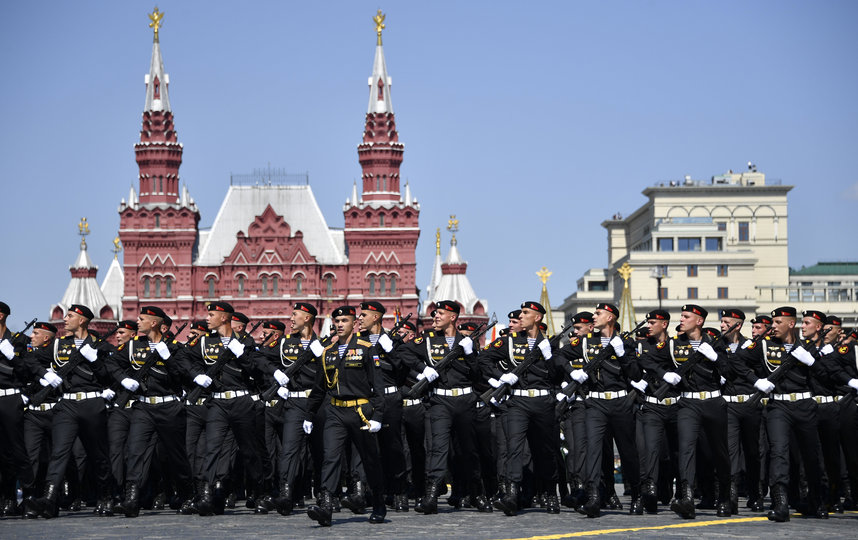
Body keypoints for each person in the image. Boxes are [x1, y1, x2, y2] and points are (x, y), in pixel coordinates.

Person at [182, 301, 281, 516]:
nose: (207, 318)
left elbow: (256, 369)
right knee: (212, 449)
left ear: (224, 318)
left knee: (250, 451)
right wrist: (196, 374)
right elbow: (183, 358)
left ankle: (260, 492)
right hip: (217, 401)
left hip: (242, 401)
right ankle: (209, 494)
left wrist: (242, 355)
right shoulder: (205, 342)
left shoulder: (244, 342)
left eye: (211, 314)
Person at [397, 300, 491, 514]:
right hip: (439, 401)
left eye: (440, 313)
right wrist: (422, 369)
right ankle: (431, 496)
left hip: (465, 401)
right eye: (435, 313)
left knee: (468, 450)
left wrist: (469, 354)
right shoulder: (428, 338)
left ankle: (477, 494)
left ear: (453, 317)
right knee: (437, 448)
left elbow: (477, 375)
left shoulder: (465, 342)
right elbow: (403, 352)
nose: (436, 317)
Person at [735, 306, 825, 522]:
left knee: (811, 455)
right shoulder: (764, 345)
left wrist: (812, 362)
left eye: (777, 323)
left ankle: (817, 499)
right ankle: (780, 502)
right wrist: (756, 381)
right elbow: (735, 362)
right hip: (778, 406)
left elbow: (826, 376)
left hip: (804, 405)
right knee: (779, 452)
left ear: (790, 324)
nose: (772, 327)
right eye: (772, 322)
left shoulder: (808, 347)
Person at [304, 306, 387, 526]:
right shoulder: (327, 352)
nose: (339, 324)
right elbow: (319, 388)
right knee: (331, 458)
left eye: (344, 320)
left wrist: (378, 416)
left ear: (354, 324)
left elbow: (378, 386)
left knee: (369, 460)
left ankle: (379, 504)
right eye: (337, 320)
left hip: (360, 411)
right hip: (335, 412)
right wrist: (309, 415)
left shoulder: (367, 349)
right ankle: (326, 507)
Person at [31, 305, 115, 518]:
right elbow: (30, 359)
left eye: (70, 316)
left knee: (98, 456)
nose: (65, 320)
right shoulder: (58, 344)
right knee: (59, 453)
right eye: (66, 315)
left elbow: (108, 376)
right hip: (66, 405)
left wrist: (95, 360)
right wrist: (45, 374)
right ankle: (50, 499)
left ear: (83, 321)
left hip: (92, 405)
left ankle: (106, 496)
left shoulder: (100, 346)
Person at [110, 306, 195, 517]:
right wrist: (124, 379)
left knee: (176, 456)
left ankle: (187, 495)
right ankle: (131, 499)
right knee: (135, 451)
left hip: (169, 407)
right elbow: (111, 362)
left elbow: (181, 377)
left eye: (142, 319)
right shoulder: (133, 346)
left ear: (154, 323)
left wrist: (168, 359)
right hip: (143, 406)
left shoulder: (174, 347)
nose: (137, 322)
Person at [558, 303, 640, 517]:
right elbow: (559, 356)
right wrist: (572, 372)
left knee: (627, 451)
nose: (594, 316)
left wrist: (622, 354)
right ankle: (594, 497)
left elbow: (635, 375)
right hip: (595, 403)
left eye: (598, 313)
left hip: (621, 402)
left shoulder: (626, 343)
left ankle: (637, 495)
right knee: (593, 450)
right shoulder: (585, 342)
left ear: (611, 318)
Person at [257, 303, 324, 516]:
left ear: (307, 318)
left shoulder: (322, 344)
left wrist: (322, 352)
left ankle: (325, 495)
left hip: (319, 403)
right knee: (289, 450)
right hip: (294, 403)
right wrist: (276, 372)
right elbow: (258, 357)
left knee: (321, 451)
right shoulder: (284, 343)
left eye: (295, 315)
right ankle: (286, 494)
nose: (291, 319)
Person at [719, 308, 765, 513]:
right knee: (730, 452)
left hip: (750, 404)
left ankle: (755, 494)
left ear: (737, 325)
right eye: (721, 321)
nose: (721, 325)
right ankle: (731, 497)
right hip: (728, 404)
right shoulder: (717, 345)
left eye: (726, 322)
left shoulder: (752, 346)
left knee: (753, 452)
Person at [635, 309, 678, 514]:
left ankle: (676, 492)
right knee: (650, 450)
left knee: (673, 453)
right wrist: (663, 372)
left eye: (652, 322)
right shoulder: (643, 346)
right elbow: (644, 361)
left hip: (677, 404)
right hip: (653, 404)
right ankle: (649, 491)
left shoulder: (677, 344)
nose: (649, 326)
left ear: (664, 324)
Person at [0, 302, 39, 517]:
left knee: (17, 450)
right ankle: (6, 498)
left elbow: (29, 370)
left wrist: (12, 356)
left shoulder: (20, 342)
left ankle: (29, 496)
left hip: (9, 399)